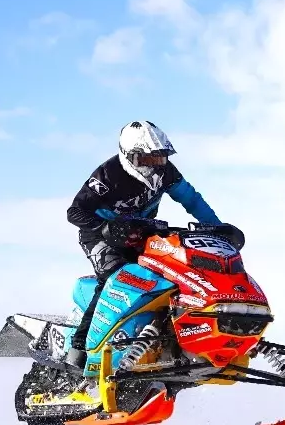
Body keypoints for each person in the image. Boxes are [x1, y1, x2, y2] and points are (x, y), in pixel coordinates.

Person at [63, 121, 222, 370]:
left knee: (171, 275)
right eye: (148, 159)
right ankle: (79, 349)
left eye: (160, 158)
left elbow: (191, 199)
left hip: (142, 234)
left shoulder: (167, 172)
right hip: (100, 236)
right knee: (114, 278)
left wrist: (217, 228)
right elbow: (75, 212)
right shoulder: (107, 176)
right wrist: (104, 227)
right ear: (130, 156)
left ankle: (167, 340)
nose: (156, 165)